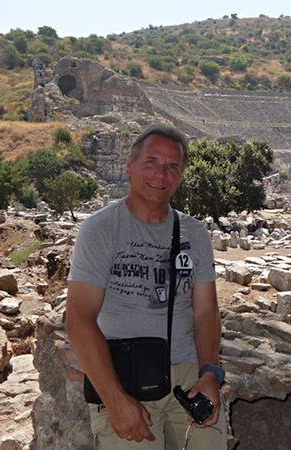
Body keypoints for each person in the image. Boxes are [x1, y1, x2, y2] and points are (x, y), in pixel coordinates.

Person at [65, 124, 227, 449]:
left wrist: (210, 374)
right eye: (151, 162)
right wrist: (114, 400)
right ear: (130, 165)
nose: (161, 174)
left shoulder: (194, 233)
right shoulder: (100, 229)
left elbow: (206, 312)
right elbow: (79, 319)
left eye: (172, 166)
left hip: (189, 376)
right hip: (126, 375)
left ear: (180, 175)